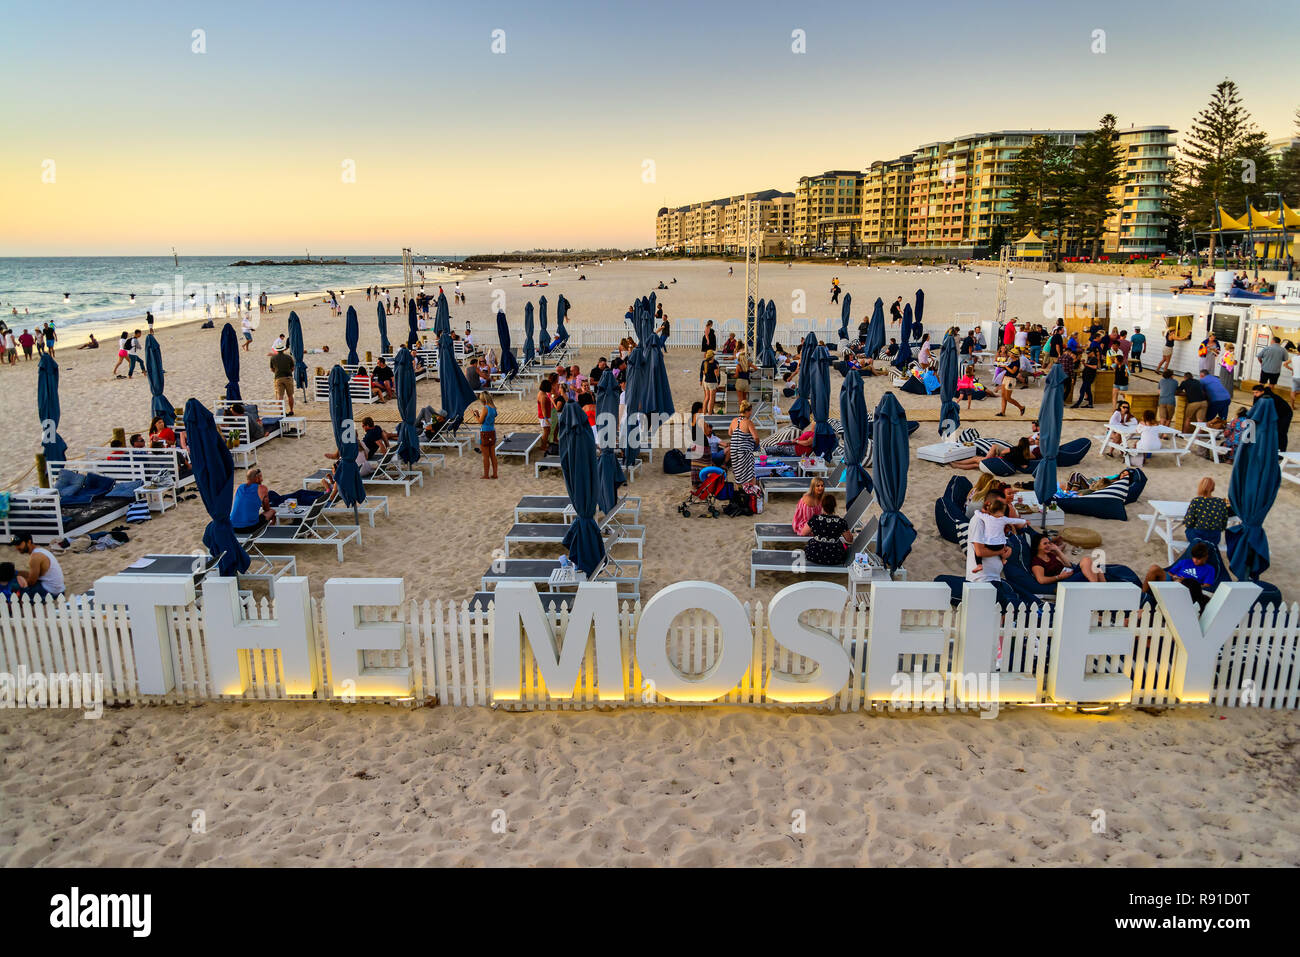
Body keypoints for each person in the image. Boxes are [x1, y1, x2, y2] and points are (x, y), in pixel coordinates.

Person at [1142, 542, 1217, 612]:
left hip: (1188, 589)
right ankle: (1143, 595)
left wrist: (1187, 582)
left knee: (1181, 583)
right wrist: (1175, 577)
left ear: (1205, 557)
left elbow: (1207, 586)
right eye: (1194, 557)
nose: (1195, 560)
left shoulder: (1209, 569)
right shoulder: (1185, 562)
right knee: (1154, 568)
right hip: (1173, 581)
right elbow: (1170, 573)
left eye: (1198, 558)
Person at [966, 496, 1028, 575]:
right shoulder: (979, 521)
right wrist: (1001, 551)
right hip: (984, 576)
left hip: (992, 572)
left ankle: (981, 564)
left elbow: (977, 512)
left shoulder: (987, 517)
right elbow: (980, 552)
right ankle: (985, 563)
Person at [1030, 534, 1107, 584]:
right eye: (1045, 544)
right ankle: (1096, 588)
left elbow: (1068, 565)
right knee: (1087, 561)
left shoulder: (1050, 555)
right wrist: (1059, 577)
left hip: (1069, 574)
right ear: (1037, 546)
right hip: (1062, 581)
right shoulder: (1037, 561)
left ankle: (1105, 590)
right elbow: (1041, 580)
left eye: (1049, 543)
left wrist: (1057, 550)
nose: (1048, 545)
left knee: (1097, 568)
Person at [10, 531, 66, 599]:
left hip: (50, 592)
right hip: (60, 590)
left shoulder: (35, 557)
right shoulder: (41, 551)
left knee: (13, 587)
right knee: (15, 576)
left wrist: (21, 583)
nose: (17, 547)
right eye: (15, 545)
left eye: (19, 544)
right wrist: (16, 573)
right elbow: (33, 575)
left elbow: (31, 582)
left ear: (29, 542)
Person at [1183, 477, 1233, 546]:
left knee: (1188, 530)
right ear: (1213, 488)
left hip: (1198, 537)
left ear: (1200, 487)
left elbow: (1188, 522)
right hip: (1214, 538)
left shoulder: (1196, 501)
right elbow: (1223, 523)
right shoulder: (1220, 502)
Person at [805, 494, 854, 565]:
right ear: (834, 506)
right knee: (844, 546)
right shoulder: (840, 522)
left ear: (822, 506)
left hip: (814, 554)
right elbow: (849, 539)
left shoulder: (815, 519)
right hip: (834, 557)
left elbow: (804, 532)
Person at [1251, 383, 1293, 452]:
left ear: (1262, 391)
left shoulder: (1269, 398)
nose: (1254, 394)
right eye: (1253, 392)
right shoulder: (1257, 397)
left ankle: (1282, 451)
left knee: (1281, 432)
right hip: (1275, 413)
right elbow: (1255, 408)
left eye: (1256, 392)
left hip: (1285, 414)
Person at [230, 468, 275, 532]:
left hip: (232, 526)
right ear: (257, 478)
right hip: (250, 528)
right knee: (272, 512)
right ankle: (270, 532)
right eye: (261, 477)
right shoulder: (263, 488)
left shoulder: (238, 487)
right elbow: (266, 509)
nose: (262, 479)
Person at [471, 392, 498, 479]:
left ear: (483, 400)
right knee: (493, 455)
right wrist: (479, 415)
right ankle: (495, 474)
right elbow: (488, 418)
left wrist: (475, 416)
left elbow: (480, 422)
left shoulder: (485, 408)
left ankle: (486, 475)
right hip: (492, 431)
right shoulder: (493, 407)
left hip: (485, 433)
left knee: (485, 456)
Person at [269, 345, 295, 414]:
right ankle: (291, 410)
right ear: (283, 350)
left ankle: (282, 412)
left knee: (280, 396)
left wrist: (277, 372)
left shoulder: (273, 358)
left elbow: (272, 369)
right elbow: (293, 368)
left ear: (277, 350)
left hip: (278, 378)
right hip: (288, 377)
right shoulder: (289, 357)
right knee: (290, 395)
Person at [700, 349, 721, 415]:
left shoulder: (704, 363)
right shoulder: (714, 364)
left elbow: (703, 372)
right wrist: (718, 368)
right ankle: (709, 413)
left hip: (706, 381)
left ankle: (704, 412)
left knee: (706, 398)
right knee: (712, 399)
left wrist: (701, 380)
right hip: (712, 382)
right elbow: (717, 375)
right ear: (712, 356)